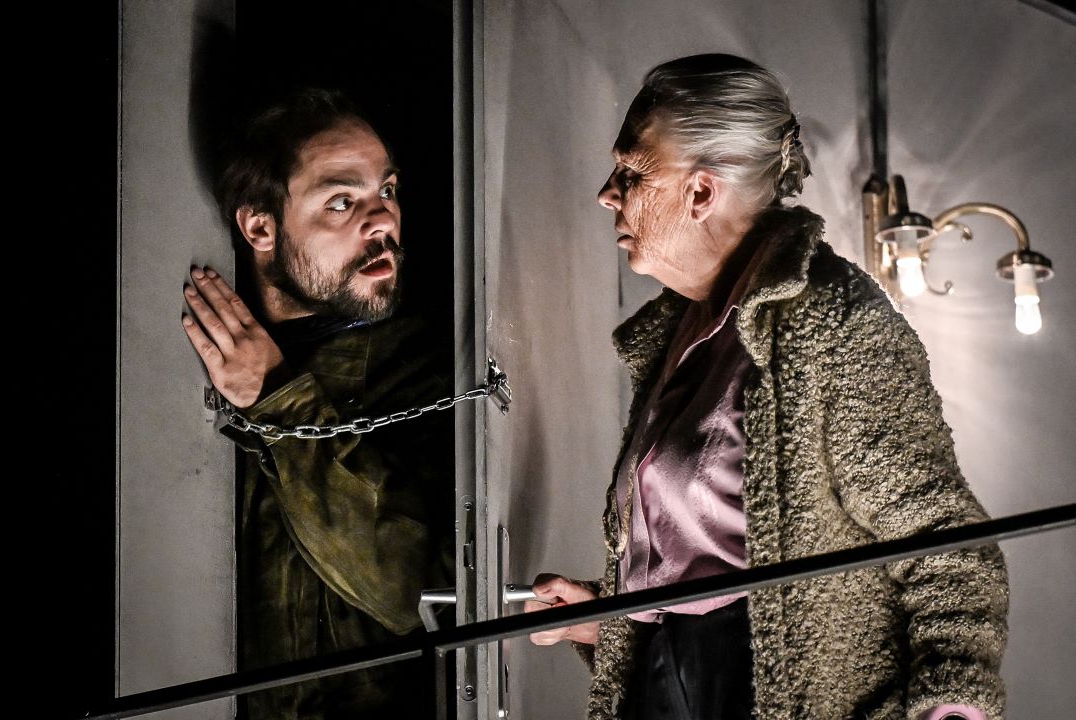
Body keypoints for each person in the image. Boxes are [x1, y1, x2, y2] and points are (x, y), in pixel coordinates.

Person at [523, 54, 1008, 720]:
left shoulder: (833, 322)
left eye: (631, 173)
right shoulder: (678, 333)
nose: (608, 193)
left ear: (701, 193)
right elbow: (702, 569)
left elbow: (945, 539)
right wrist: (603, 618)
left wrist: (952, 704)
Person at [180, 87, 455, 719]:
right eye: (342, 201)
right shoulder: (207, 369)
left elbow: (413, 590)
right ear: (260, 228)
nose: (383, 220)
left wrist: (278, 399)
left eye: (387, 190)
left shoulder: (431, 372)